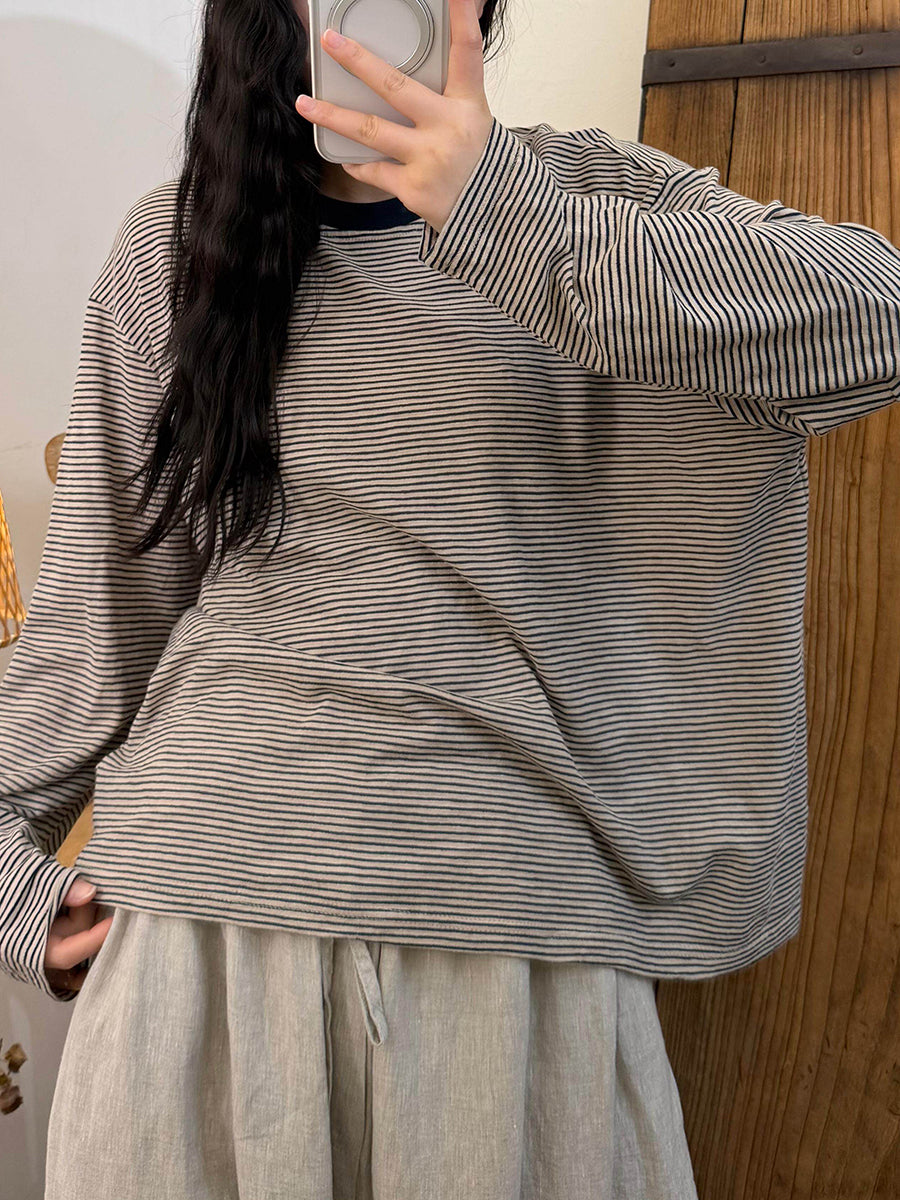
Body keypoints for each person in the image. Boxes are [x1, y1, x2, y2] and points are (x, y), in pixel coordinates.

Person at [2, 0, 899, 1196]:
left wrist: (499, 214)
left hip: (518, 938)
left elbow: (878, 319)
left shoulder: (594, 201)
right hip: (196, 931)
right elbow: (94, 627)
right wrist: (10, 885)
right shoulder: (175, 249)